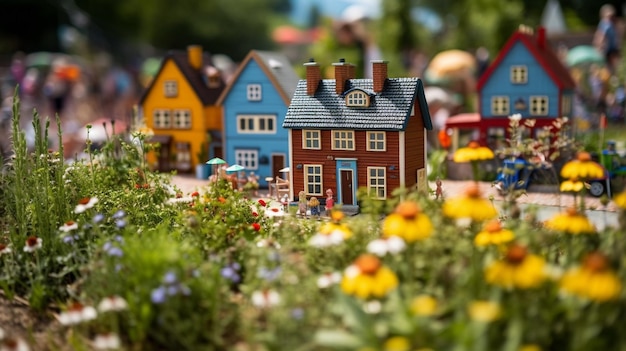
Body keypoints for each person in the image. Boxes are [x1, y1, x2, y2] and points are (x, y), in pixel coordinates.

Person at [594, 4, 620, 74]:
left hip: (612, 48)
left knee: (613, 66)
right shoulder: (606, 24)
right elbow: (601, 35)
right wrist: (599, 47)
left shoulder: (610, 24)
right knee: (613, 66)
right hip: (609, 49)